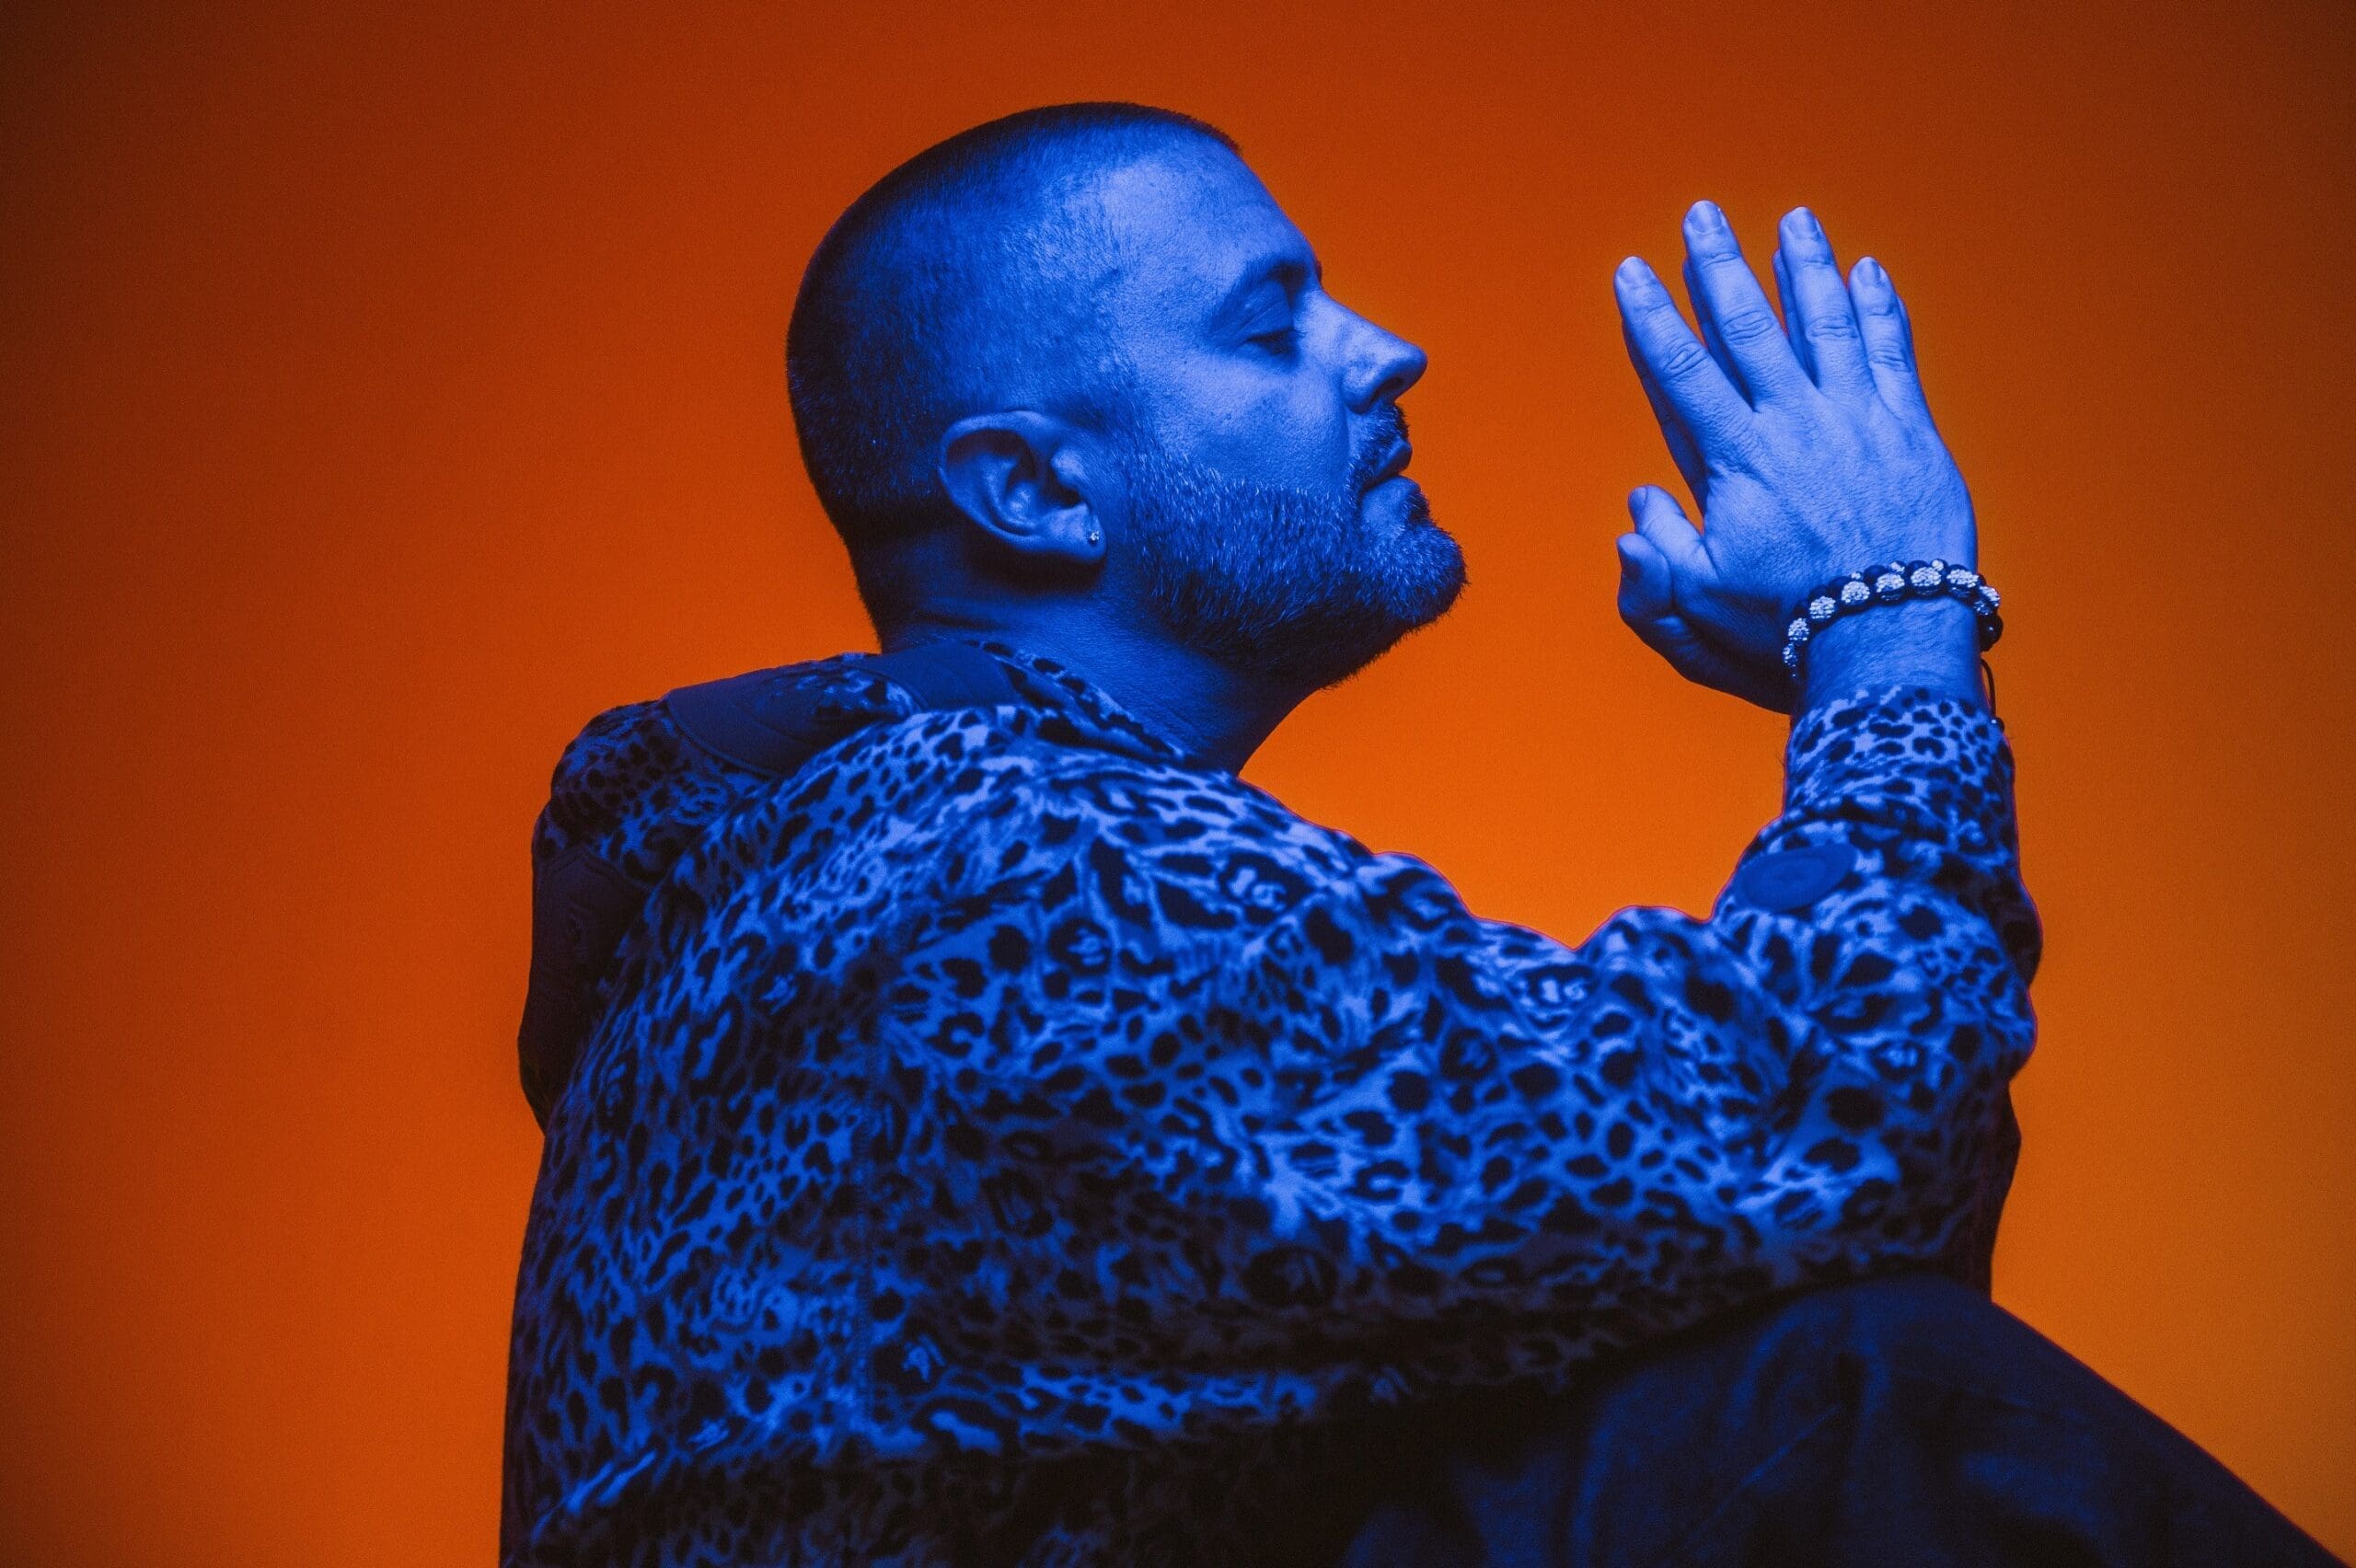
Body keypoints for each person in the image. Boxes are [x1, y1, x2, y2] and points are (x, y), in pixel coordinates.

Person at [500, 103, 2338, 1566]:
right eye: (1271, 324)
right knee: (1859, 1405)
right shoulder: (997, 872)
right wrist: (1890, 621)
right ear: (1037, 487)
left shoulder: (857, 872)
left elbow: (1795, 1231)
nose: (1388, 352)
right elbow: (1838, 1133)